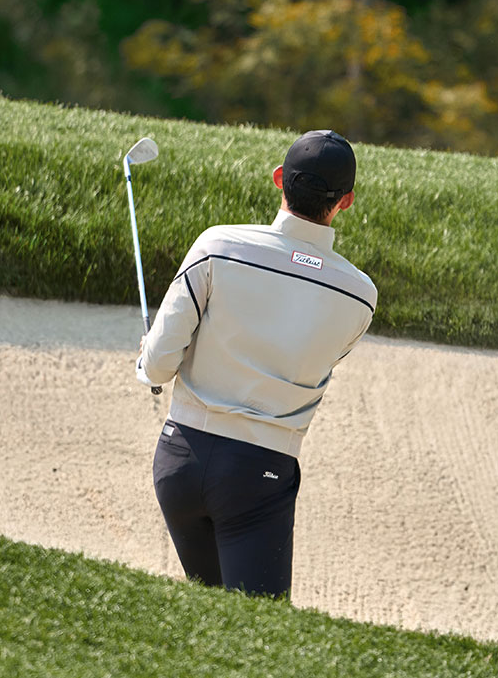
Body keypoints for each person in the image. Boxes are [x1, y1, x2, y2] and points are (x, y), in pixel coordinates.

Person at [137, 129, 376, 599]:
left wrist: (147, 360)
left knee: (215, 621)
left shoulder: (217, 246)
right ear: (346, 201)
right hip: (259, 476)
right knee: (258, 636)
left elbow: (158, 366)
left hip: (180, 460)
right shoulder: (359, 293)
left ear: (279, 179)